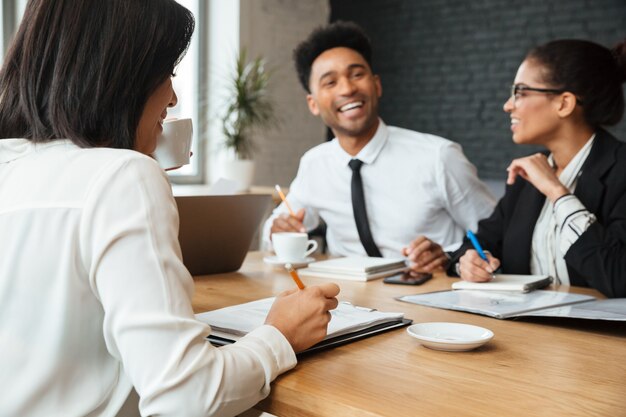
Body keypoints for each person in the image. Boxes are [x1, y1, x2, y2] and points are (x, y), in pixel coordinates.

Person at [0, 1, 339, 416]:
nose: (174, 96)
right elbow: (186, 399)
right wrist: (279, 334)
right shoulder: (123, 178)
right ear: (121, 75)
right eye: (168, 73)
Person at [262, 21, 496, 273]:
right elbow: (278, 225)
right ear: (313, 104)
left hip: (427, 295)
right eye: (330, 82)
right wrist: (277, 228)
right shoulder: (315, 163)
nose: (348, 88)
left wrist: (451, 258)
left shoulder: (439, 157)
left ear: (377, 85)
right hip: (347, 302)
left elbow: (496, 234)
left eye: (357, 75)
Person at [447, 39, 626, 298]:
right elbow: (479, 242)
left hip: (600, 337)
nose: (508, 105)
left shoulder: (619, 169)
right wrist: (468, 261)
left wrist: (557, 192)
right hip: (529, 331)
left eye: (520, 92)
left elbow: (618, 277)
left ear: (564, 103)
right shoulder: (526, 174)